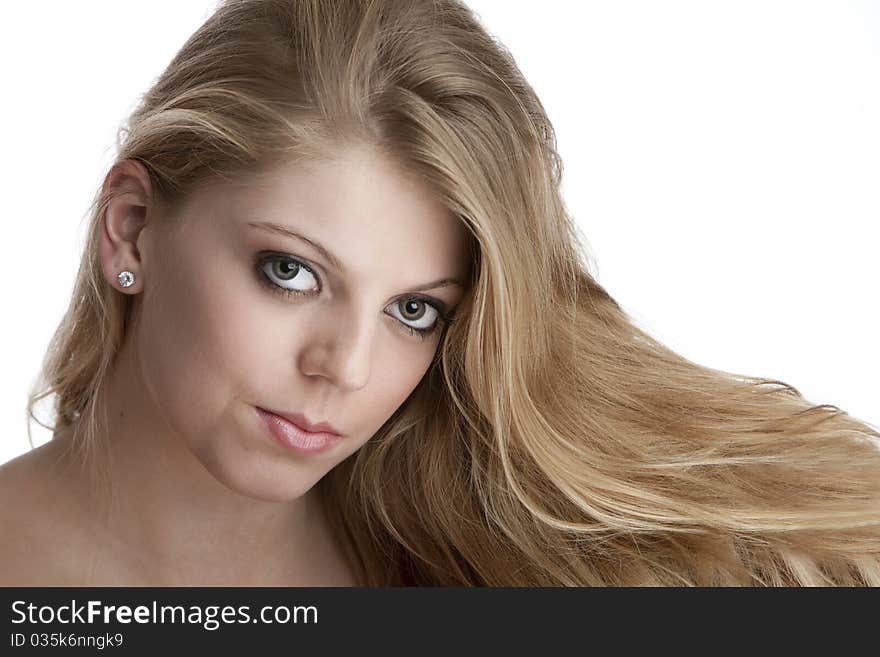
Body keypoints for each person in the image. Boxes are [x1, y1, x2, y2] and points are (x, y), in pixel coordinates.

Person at [2, 0, 879, 587]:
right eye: (291, 272)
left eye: (413, 310)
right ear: (130, 228)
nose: (345, 367)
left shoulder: (462, 565)